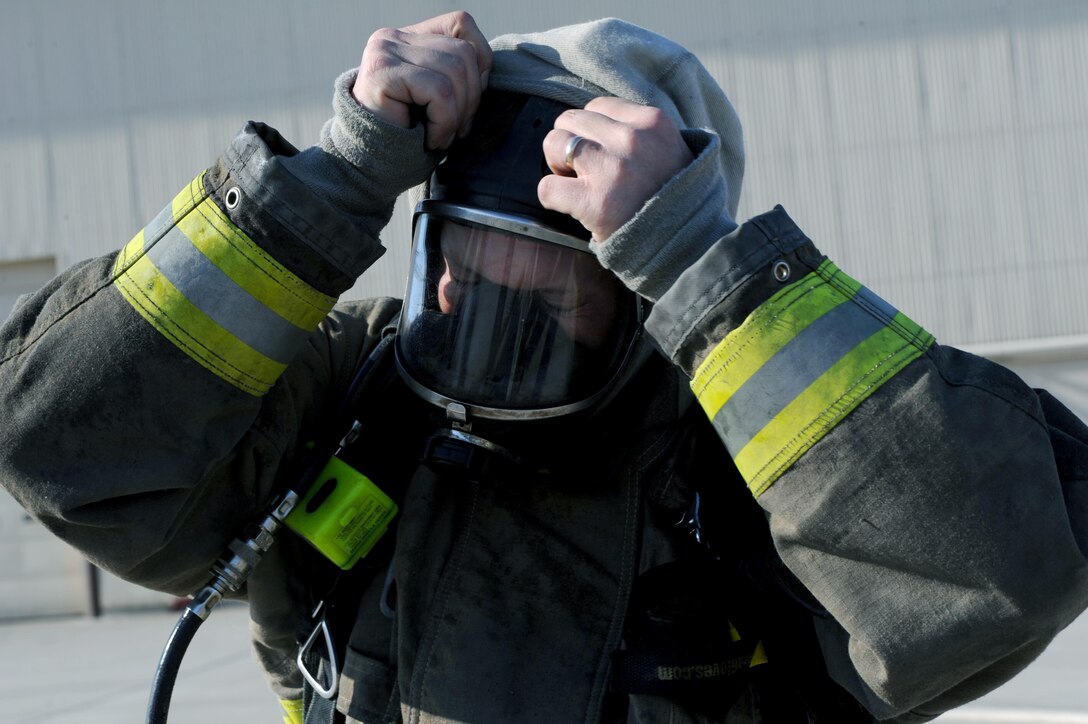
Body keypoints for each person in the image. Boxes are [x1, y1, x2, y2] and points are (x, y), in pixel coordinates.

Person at [1, 10, 1086, 724]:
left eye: (538, 276)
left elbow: (991, 578)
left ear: (635, 288)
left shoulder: (753, 438)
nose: (464, 303)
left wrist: (706, 269)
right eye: (456, 256)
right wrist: (330, 182)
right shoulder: (355, 386)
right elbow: (58, 441)